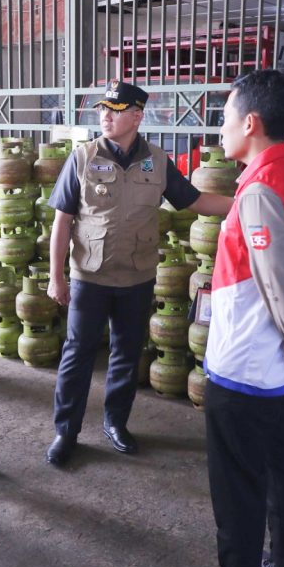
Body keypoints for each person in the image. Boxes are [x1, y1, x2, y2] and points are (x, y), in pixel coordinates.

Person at [171, 70, 284, 567]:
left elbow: (278, 282)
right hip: (275, 369)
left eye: (223, 118)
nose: (219, 131)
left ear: (251, 122)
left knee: (237, 490)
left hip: (247, 365)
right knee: (281, 466)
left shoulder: (261, 190)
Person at [44, 79, 235, 466]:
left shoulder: (159, 161)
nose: (105, 116)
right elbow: (62, 221)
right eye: (102, 109)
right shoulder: (82, 157)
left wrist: (246, 199)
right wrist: (56, 276)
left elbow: (194, 201)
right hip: (89, 277)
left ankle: (116, 422)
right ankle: (66, 430)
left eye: (114, 111)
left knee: (126, 355)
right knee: (77, 355)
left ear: (136, 116)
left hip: (137, 277)